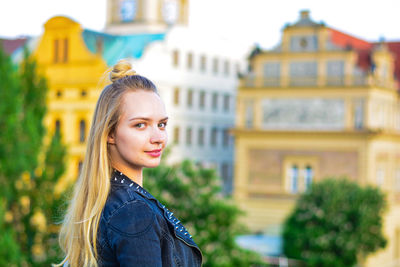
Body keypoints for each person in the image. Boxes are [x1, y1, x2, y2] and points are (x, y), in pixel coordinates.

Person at [56, 59, 203, 267]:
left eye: (161, 124)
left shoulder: (108, 199)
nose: (158, 137)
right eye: (140, 125)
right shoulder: (134, 211)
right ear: (110, 133)